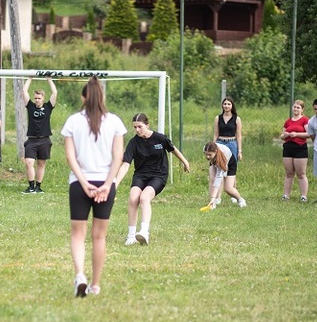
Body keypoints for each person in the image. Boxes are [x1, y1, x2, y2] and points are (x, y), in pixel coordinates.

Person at [61, 76, 126, 297]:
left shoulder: (72, 121)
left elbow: (70, 157)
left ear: (83, 97)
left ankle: (80, 275)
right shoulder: (115, 122)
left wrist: (83, 182)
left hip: (80, 184)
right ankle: (95, 285)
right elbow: (118, 157)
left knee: (78, 234)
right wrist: (108, 184)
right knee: (99, 236)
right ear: (102, 97)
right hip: (105, 184)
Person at [115, 112, 190, 246]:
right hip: (141, 175)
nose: (137, 130)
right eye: (135, 127)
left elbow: (172, 149)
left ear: (147, 125)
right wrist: (115, 184)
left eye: (140, 126)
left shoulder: (159, 138)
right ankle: (131, 236)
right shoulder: (133, 143)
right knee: (133, 198)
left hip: (158, 175)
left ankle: (144, 232)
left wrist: (185, 162)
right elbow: (126, 165)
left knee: (144, 198)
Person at [21, 77, 57, 194]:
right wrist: (30, 78)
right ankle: (31, 186)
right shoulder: (30, 106)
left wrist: (49, 79)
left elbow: (55, 93)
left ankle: (38, 187)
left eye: (39, 98)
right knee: (29, 162)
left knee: (41, 164)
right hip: (31, 140)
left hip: (44, 140)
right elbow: (24, 91)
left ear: (43, 99)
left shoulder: (48, 107)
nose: (37, 100)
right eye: (35, 98)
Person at [212, 96, 243, 203]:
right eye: (225, 104)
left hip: (232, 143)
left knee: (231, 169)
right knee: (219, 168)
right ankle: (218, 197)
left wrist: (239, 150)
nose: (226, 106)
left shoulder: (237, 119)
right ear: (222, 105)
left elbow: (238, 135)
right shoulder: (218, 118)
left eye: (229, 104)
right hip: (220, 142)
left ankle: (233, 195)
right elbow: (216, 134)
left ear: (232, 106)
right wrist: (213, 146)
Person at [202, 141, 247, 209]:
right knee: (212, 179)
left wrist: (213, 197)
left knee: (228, 189)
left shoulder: (224, 154)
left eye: (209, 154)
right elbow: (214, 180)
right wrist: (213, 199)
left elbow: (218, 179)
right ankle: (212, 203)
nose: (207, 157)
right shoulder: (206, 148)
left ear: (216, 151)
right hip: (215, 160)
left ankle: (240, 199)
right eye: (206, 154)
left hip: (230, 163)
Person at [280, 99, 309, 202]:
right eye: (294, 107)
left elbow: (309, 134)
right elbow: (282, 136)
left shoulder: (304, 120)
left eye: (298, 107)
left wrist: (296, 134)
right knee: (289, 173)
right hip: (288, 147)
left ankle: (303, 196)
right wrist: (285, 135)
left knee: (301, 173)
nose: (296, 109)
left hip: (300, 147)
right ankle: (286, 195)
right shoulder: (288, 121)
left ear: (302, 109)